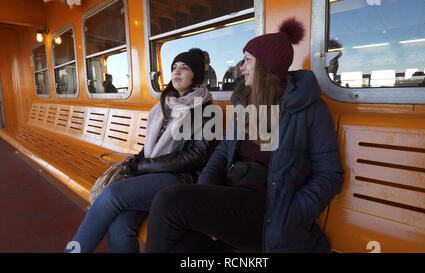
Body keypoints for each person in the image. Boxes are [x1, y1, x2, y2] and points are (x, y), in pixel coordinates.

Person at [145, 18, 344, 253]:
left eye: (248, 60)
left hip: (271, 209)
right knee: (180, 247)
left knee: (168, 201)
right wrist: (206, 190)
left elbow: (330, 175)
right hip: (231, 198)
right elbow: (222, 153)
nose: (242, 67)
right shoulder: (246, 103)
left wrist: (292, 212)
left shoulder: (309, 109)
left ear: (265, 66)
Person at [64, 48, 217, 253]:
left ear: (196, 75)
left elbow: (197, 156)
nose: (177, 72)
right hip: (154, 174)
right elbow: (152, 146)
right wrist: (135, 161)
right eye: (174, 68)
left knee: (111, 196)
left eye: (185, 68)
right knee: (119, 227)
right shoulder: (164, 105)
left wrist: (144, 165)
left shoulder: (207, 110)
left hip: (181, 178)